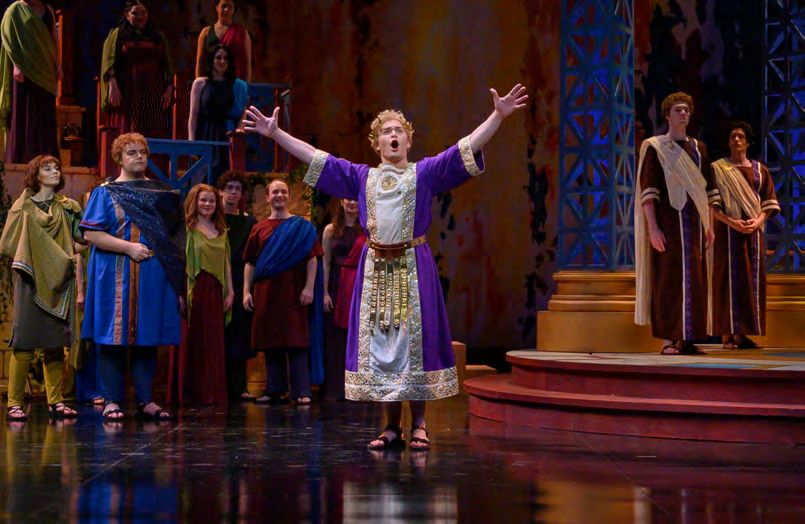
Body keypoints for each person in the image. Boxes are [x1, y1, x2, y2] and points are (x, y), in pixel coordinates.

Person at [243, 83, 528, 449]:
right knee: (383, 345)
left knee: (414, 344)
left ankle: (419, 424)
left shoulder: (423, 173)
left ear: (408, 141)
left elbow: (465, 148)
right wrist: (276, 134)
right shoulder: (363, 177)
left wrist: (497, 117)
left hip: (412, 265)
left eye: (399, 131)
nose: (393, 135)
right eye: (386, 131)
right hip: (376, 269)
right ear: (377, 144)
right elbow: (316, 158)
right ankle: (391, 425)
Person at [80, 132, 183, 421]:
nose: (139, 157)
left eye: (143, 152)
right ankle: (112, 400)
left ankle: (145, 400)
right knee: (112, 337)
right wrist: (129, 248)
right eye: (131, 152)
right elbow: (91, 234)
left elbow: (173, 240)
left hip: (152, 273)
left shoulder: (161, 193)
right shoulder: (106, 192)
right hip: (114, 273)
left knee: (147, 337)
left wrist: (177, 281)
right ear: (119, 158)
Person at [634, 92, 719, 355]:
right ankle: (670, 339)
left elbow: (709, 190)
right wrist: (653, 228)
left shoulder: (699, 148)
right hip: (668, 225)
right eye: (678, 110)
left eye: (686, 110)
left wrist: (709, 226)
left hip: (694, 225)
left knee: (694, 280)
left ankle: (689, 338)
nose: (683, 114)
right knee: (669, 280)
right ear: (667, 116)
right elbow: (649, 190)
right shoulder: (656, 147)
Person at [0, 155, 85, 420]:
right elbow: (7, 244)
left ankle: (55, 400)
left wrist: (62, 257)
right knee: (24, 343)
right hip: (31, 281)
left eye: (57, 168)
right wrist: (39, 256)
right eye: (48, 168)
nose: (55, 171)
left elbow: (82, 240)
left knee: (55, 342)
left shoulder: (67, 207)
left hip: (59, 282)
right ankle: (14, 403)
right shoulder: (23, 207)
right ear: (36, 175)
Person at [242, 179, 323, 406]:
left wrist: (309, 287)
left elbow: (313, 259)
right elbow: (250, 262)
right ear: (267, 197)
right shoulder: (259, 228)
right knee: (271, 341)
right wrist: (246, 291)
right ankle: (274, 390)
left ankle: (301, 391)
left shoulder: (302, 227)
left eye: (283, 192)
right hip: (266, 292)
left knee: (296, 340)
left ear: (288, 196)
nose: (279, 195)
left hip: (293, 291)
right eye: (275, 192)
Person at [711, 122, 780, 349]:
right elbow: (712, 204)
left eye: (741, 137)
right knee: (726, 281)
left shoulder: (760, 170)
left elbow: (768, 203)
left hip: (752, 233)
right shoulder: (718, 169)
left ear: (748, 142)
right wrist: (732, 222)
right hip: (726, 233)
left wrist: (756, 222)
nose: (736, 140)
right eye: (733, 136)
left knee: (749, 281)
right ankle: (727, 334)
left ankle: (742, 334)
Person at [167, 184, 233, 405]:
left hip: (215, 292)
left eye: (212, 201)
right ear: (194, 202)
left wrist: (231, 291)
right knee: (190, 341)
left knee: (212, 342)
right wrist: (178, 292)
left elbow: (226, 262)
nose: (208, 204)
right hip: (191, 289)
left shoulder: (221, 230)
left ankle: (211, 393)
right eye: (203, 200)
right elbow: (177, 263)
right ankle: (187, 393)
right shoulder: (185, 229)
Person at [100, 1, 173, 139]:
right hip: (128, 90)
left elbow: (167, 64)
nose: (140, 17)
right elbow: (108, 59)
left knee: (152, 132)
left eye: (143, 13)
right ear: (127, 15)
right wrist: (112, 83)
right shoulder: (117, 34)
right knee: (128, 132)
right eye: (135, 13)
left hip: (153, 91)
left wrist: (168, 88)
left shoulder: (158, 36)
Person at [0, 0, 61, 163]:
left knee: (44, 118)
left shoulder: (48, 9)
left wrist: (58, 65)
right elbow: (9, 38)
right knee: (24, 115)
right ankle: (21, 159)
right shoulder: (15, 10)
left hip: (45, 71)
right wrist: (16, 64)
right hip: (25, 71)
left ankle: (46, 160)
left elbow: (54, 39)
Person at [217, 171, 257, 401]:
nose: (233, 193)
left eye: (237, 189)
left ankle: (239, 386)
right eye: (229, 188)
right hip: (217, 276)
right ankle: (217, 386)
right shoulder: (213, 218)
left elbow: (253, 255)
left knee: (239, 332)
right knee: (218, 331)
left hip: (241, 277)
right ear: (221, 191)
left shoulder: (249, 221)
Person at [321, 199, 365, 401]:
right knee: (336, 339)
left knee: (360, 338)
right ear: (341, 201)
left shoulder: (368, 229)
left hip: (361, 286)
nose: (352, 202)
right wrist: (324, 293)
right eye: (348, 198)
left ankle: (359, 388)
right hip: (337, 285)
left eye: (355, 198)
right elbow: (325, 263)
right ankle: (336, 388)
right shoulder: (330, 230)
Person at [188, 44, 248, 183]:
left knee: (223, 178)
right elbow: (193, 115)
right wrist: (191, 143)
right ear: (212, 60)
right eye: (218, 57)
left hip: (225, 134)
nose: (222, 61)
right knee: (200, 178)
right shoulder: (200, 83)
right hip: (204, 133)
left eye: (226, 58)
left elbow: (243, 112)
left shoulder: (236, 85)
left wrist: (238, 132)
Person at [195, 0, 252, 82]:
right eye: (224, 6)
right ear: (217, 7)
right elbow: (200, 62)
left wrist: (246, 86)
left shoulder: (242, 33)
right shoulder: (206, 33)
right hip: (211, 83)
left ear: (233, 10)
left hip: (233, 83)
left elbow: (247, 63)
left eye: (230, 7)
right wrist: (198, 84)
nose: (226, 10)